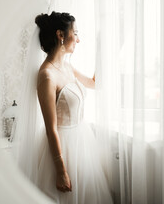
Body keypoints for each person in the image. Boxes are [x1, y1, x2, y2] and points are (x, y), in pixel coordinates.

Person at [30, 11, 113, 204]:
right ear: (61, 35)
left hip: (82, 141)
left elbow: (94, 83)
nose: (78, 39)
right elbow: (51, 129)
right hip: (61, 148)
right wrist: (61, 171)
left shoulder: (67, 67)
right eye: (75, 33)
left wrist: (102, 46)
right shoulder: (47, 75)